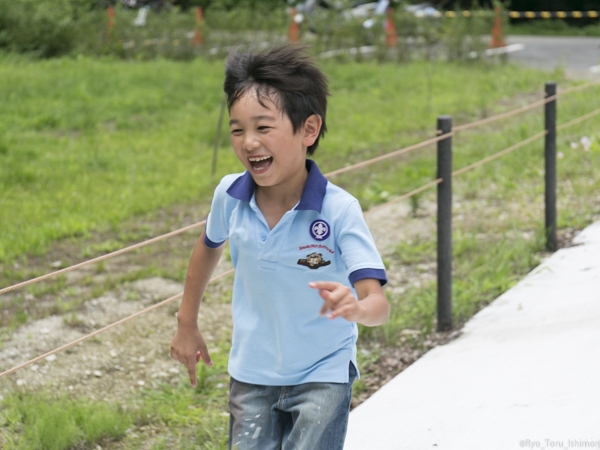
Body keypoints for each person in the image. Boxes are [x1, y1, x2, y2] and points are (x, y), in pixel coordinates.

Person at [170, 45, 390, 450]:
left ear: (308, 129)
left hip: (324, 375)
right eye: (237, 130)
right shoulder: (229, 195)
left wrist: (356, 309)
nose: (249, 142)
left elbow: (378, 304)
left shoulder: (339, 210)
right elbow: (207, 246)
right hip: (252, 374)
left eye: (264, 127)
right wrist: (187, 323)